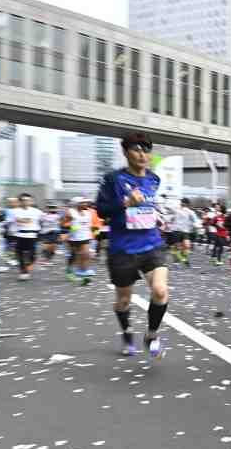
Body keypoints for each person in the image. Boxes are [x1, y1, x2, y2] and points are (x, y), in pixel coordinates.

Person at [95, 131, 169, 359]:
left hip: (151, 244)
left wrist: (156, 215)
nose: (142, 154)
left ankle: (152, 334)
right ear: (126, 152)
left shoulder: (154, 179)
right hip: (122, 249)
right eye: (136, 149)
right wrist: (125, 202)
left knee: (160, 290)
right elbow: (101, 211)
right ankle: (127, 331)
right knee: (124, 300)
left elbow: (148, 206)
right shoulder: (113, 179)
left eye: (146, 150)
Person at [13, 193, 42, 281]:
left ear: (31, 201)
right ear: (20, 201)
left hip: (32, 235)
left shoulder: (36, 211)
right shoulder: (15, 211)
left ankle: (26, 269)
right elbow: (20, 220)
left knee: (32, 255)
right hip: (20, 235)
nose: (26, 202)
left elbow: (29, 220)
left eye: (28, 200)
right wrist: (24, 220)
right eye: (24, 200)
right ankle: (23, 271)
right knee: (19, 253)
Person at [66, 197, 95, 281]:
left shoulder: (88, 212)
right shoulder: (71, 212)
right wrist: (71, 228)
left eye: (85, 202)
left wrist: (92, 233)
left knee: (86, 254)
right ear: (77, 204)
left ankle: (82, 270)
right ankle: (69, 270)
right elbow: (63, 223)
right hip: (74, 237)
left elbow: (90, 225)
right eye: (82, 203)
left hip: (85, 236)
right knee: (74, 256)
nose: (85, 204)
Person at [172, 198, 198, 267]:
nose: (182, 204)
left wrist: (196, 225)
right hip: (176, 230)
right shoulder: (176, 210)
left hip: (185, 231)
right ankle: (176, 262)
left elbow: (195, 220)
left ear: (186, 204)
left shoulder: (190, 212)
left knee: (187, 246)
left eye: (183, 203)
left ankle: (184, 258)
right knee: (177, 247)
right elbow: (171, 216)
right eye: (181, 202)